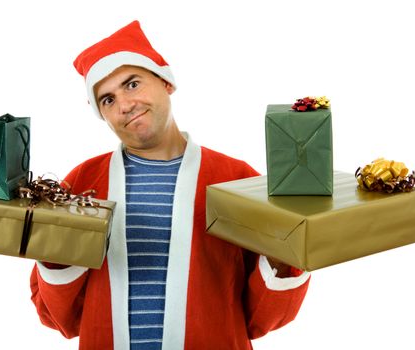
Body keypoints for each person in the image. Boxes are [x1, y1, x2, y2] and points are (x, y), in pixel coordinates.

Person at [30, 20, 310, 350]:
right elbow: (60, 318)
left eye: (132, 84)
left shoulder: (236, 179)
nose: (124, 105)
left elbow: (262, 319)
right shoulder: (82, 184)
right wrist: (54, 252)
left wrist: (282, 253)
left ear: (166, 82)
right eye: (107, 99)